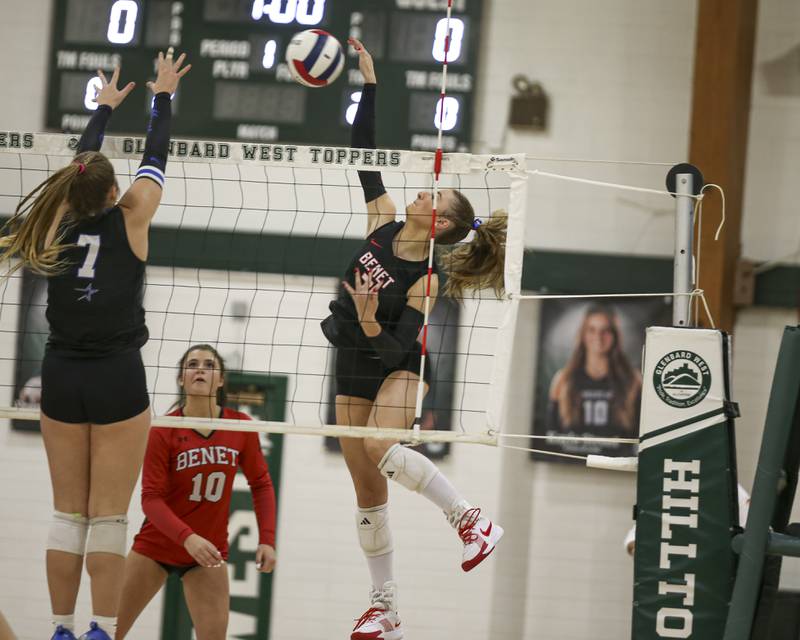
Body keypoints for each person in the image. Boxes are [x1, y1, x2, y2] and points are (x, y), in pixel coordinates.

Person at [320, 38, 507, 640]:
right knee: (365, 484)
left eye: (436, 196)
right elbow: (362, 151)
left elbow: (400, 349)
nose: (424, 193)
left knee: (379, 445)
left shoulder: (426, 277)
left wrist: (374, 320)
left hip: (397, 365)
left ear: (443, 222)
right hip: (350, 355)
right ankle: (386, 608)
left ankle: (470, 519)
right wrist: (370, 83)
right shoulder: (385, 217)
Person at [0, 51, 190, 640]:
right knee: (108, 518)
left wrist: (102, 112)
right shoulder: (132, 215)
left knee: (68, 514)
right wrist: (161, 98)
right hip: (115, 376)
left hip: (60, 372)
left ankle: (59, 627)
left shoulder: (56, 217)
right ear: (113, 194)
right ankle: (101, 631)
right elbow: (156, 157)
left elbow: (75, 173)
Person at [115, 344, 277, 640]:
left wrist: (267, 539)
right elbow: (150, 499)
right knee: (108, 631)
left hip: (208, 553)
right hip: (156, 546)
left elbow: (262, 484)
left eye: (208, 364)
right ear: (181, 379)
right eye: (192, 364)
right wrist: (187, 538)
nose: (200, 369)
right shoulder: (163, 429)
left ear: (221, 380)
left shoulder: (241, 426)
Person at [547, 304, 642, 437]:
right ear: (583, 335)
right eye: (591, 330)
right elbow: (551, 436)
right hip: (573, 457)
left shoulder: (633, 380)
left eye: (606, 330)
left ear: (615, 335)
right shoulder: (563, 380)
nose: (599, 336)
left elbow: (639, 436)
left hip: (616, 458)